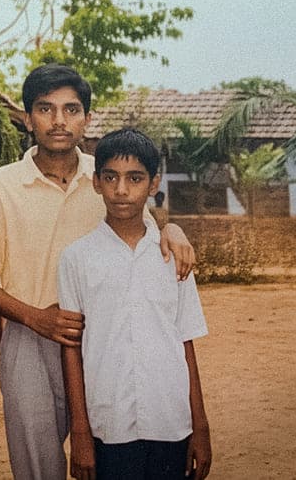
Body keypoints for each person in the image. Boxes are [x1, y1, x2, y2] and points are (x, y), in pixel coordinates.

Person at [0, 63, 196, 480]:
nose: (58, 121)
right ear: (27, 116)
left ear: (87, 117)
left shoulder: (106, 175)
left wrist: (173, 228)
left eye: (71, 109)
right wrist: (39, 318)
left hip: (110, 339)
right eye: (45, 109)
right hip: (32, 338)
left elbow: (146, 230)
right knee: (39, 467)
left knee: (110, 457)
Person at [59, 128, 210, 480]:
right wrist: (80, 432)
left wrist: (199, 426)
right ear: (96, 182)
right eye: (111, 177)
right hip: (108, 426)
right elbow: (71, 349)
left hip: (171, 422)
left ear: (153, 183)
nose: (122, 190)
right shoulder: (76, 258)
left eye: (135, 178)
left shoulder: (174, 257)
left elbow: (185, 342)